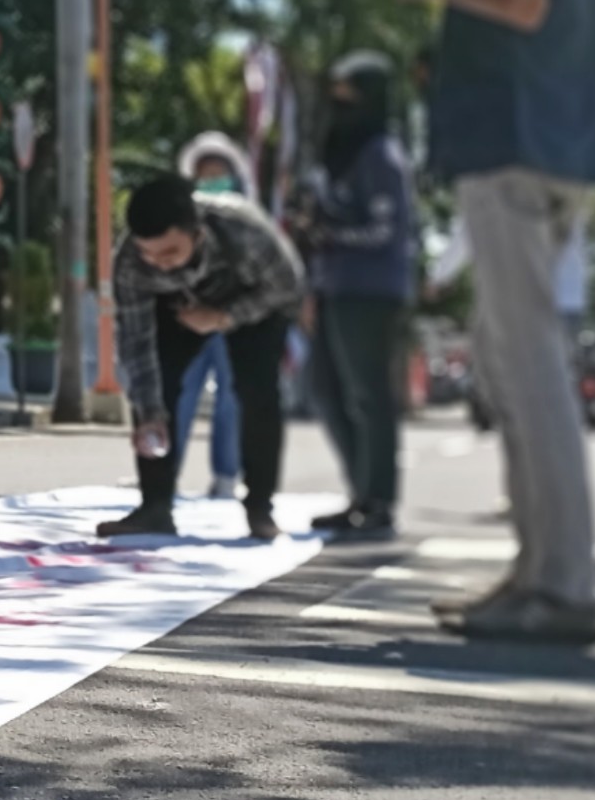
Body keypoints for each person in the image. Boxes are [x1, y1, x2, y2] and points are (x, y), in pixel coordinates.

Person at [368, 0, 595, 645]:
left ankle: (564, 587)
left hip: (512, 136)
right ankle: (537, 573)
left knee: (529, 371)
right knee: (519, 364)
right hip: (575, 136)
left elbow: (521, 1)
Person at [101, 175, 304, 543]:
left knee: (257, 392)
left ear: (197, 233)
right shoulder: (130, 262)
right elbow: (135, 342)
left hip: (253, 304)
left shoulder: (242, 229)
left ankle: (260, 507)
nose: (159, 265)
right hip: (178, 310)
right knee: (156, 385)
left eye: (170, 253)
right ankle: (155, 507)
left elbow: (288, 285)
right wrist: (148, 411)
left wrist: (224, 317)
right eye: (150, 254)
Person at [301, 52, 419, 540]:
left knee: (369, 396)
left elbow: (384, 230)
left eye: (349, 90)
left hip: (371, 291)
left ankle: (379, 501)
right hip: (334, 285)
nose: (338, 100)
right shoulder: (340, 153)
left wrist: (329, 229)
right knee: (323, 389)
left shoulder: (381, 154)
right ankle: (359, 492)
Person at [170, 134, 256, 502]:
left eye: (219, 174)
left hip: (230, 319)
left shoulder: (248, 220)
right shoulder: (183, 218)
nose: (212, 181)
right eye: (205, 175)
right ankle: (164, 475)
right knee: (180, 392)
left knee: (229, 397)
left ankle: (226, 475)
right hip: (189, 317)